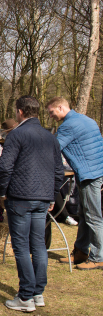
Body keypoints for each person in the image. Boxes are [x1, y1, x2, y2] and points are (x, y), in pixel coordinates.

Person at [0, 96, 64, 312]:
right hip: (41, 197)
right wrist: (52, 195)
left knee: (22, 247)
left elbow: (5, 167)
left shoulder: (17, 134)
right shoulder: (50, 137)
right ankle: (37, 293)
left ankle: (27, 295)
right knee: (38, 245)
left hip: (21, 197)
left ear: (19, 112)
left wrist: (1, 192)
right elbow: (58, 171)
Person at [46, 96, 103, 270]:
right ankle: (81, 251)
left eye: (52, 112)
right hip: (94, 171)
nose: (50, 116)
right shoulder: (86, 120)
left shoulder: (69, 126)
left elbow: (52, 147)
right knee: (84, 214)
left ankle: (98, 257)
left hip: (89, 174)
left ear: (61, 107)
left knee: (93, 216)